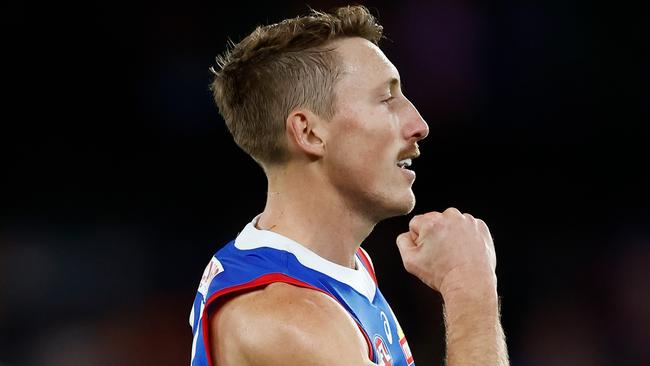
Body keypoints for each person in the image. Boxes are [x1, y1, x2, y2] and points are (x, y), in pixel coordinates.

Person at [189, 5, 508, 366]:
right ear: (309, 132)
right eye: (387, 99)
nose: (419, 124)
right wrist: (469, 288)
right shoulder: (290, 320)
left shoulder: (340, 268)